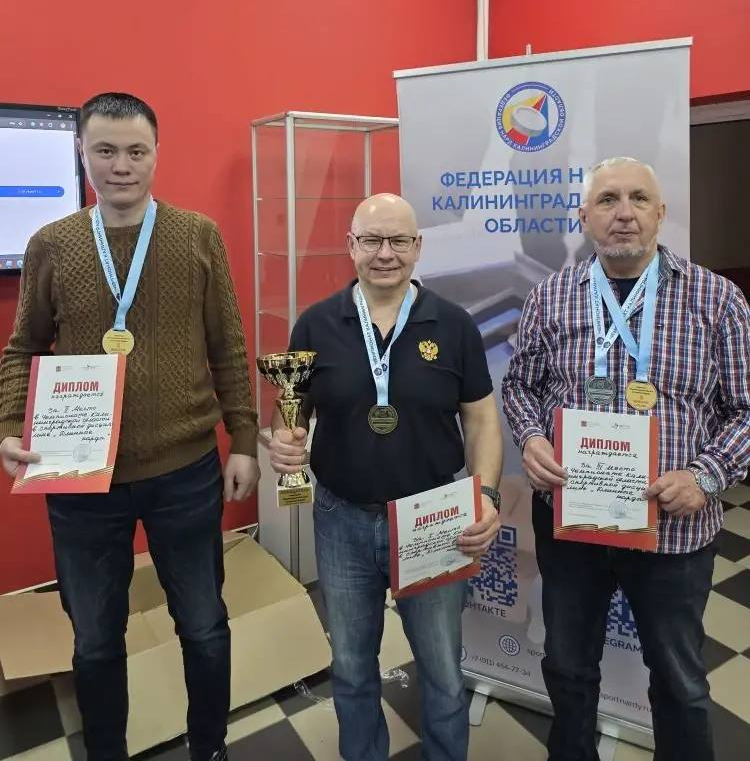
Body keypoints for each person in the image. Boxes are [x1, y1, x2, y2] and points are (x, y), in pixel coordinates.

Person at [0, 92, 260, 761]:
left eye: (136, 151)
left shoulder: (197, 235)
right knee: (94, 640)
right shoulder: (51, 244)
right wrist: (8, 425)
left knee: (204, 626)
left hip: (185, 471)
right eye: (106, 151)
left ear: (156, 155)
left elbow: (228, 345)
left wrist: (244, 440)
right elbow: (22, 348)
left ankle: (210, 748)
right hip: (81, 478)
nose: (121, 166)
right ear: (82, 153)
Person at [502, 156, 750, 761]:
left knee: (680, 681)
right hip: (572, 527)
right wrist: (530, 439)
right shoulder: (550, 297)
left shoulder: (717, 299)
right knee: (567, 667)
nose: (624, 213)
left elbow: (746, 409)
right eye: (608, 199)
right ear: (584, 216)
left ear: (660, 213)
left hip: (673, 529)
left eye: (639, 199)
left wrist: (706, 476)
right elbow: (519, 386)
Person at [269, 193, 503, 761]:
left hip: (436, 517)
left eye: (398, 240)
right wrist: (283, 441)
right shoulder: (316, 323)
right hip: (342, 519)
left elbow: (480, 420)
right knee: (351, 666)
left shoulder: (453, 324)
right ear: (351, 246)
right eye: (371, 240)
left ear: (417, 247)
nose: (385, 253)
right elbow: (292, 412)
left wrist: (486, 494)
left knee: (442, 668)